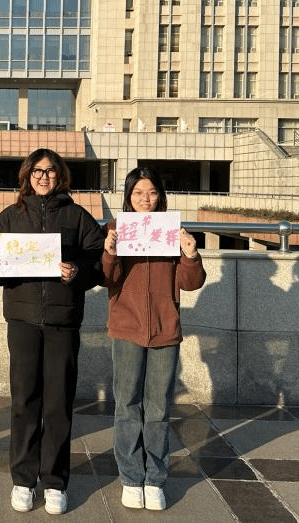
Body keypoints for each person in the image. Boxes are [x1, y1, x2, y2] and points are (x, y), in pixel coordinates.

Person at [0, 148, 104, 515]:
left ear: (60, 176)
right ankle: (23, 479)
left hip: (63, 319)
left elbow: (97, 260)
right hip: (22, 319)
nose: (44, 177)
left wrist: (77, 270)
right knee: (24, 401)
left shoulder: (77, 216)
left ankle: (55, 481)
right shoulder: (11, 216)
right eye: (37, 171)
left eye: (50, 171)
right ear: (27, 176)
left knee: (58, 404)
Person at [102, 166, 206, 511]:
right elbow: (106, 278)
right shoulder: (116, 228)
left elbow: (190, 283)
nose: (145, 199)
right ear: (128, 197)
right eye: (138, 193)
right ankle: (131, 477)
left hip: (165, 329)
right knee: (127, 405)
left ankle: (155, 478)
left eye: (151, 192)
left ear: (160, 195)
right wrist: (110, 251)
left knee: (159, 407)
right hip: (126, 328)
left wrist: (190, 254)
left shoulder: (172, 230)